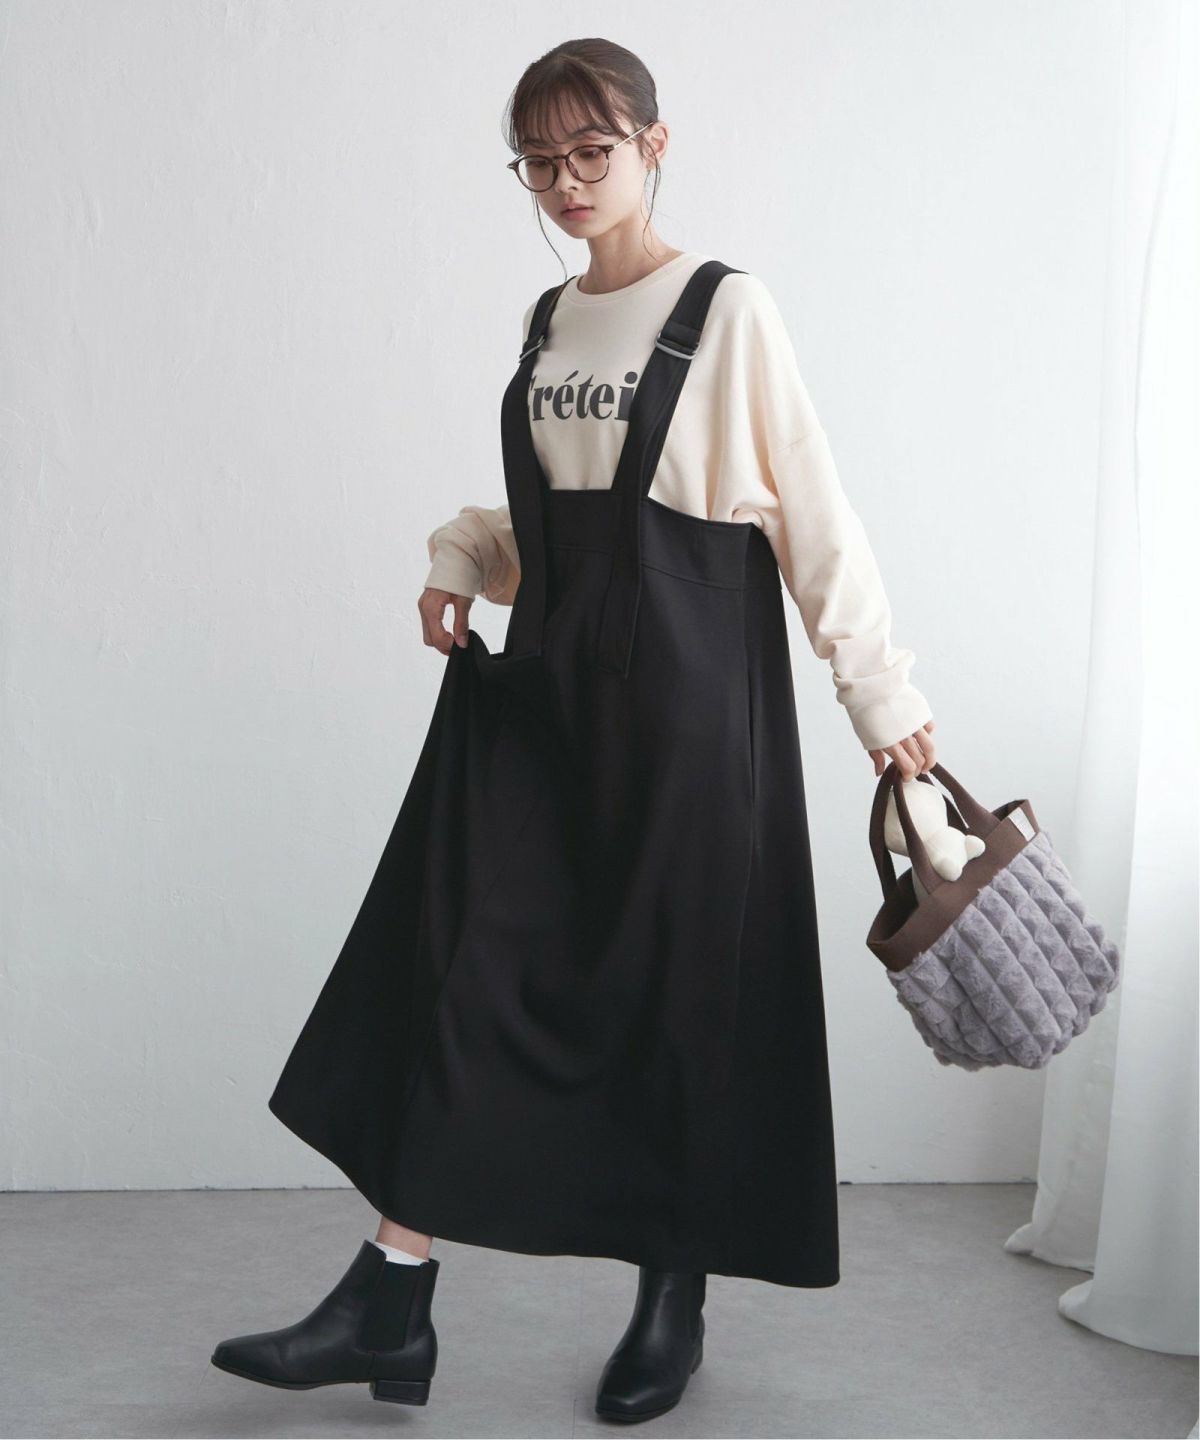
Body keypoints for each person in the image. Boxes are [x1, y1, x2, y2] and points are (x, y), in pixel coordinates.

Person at [211, 36, 936, 1425]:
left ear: (654, 145)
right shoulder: (550, 320)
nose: (565, 183)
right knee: (469, 966)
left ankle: (672, 1296)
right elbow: (556, 514)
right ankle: (390, 1298)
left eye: (590, 153)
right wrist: (459, 554)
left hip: (690, 713)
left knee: (676, 1000)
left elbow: (810, 514)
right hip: (551, 698)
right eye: (538, 164)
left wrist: (880, 695)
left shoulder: (727, 309)